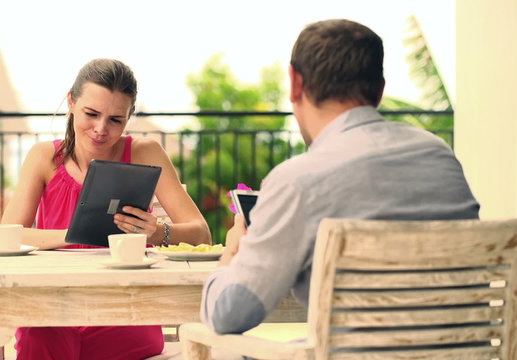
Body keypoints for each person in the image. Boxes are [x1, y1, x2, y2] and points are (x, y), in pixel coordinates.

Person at [200, 19, 480, 335]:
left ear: (295, 83)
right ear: (379, 90)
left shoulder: (298, 180)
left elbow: (228, 315)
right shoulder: (439, 156)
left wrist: (232, 252)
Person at [1, 58, 211, 360]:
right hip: (53, 305)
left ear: (129, 118)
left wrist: (156, 231)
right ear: (71, 102)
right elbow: (8, 235)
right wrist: (74, 234)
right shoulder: (44, 157)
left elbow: (201, 233)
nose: (101, 129)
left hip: (124, 309)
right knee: (40, 336)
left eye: (116, 119)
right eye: (91, 114)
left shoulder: (144, 153)